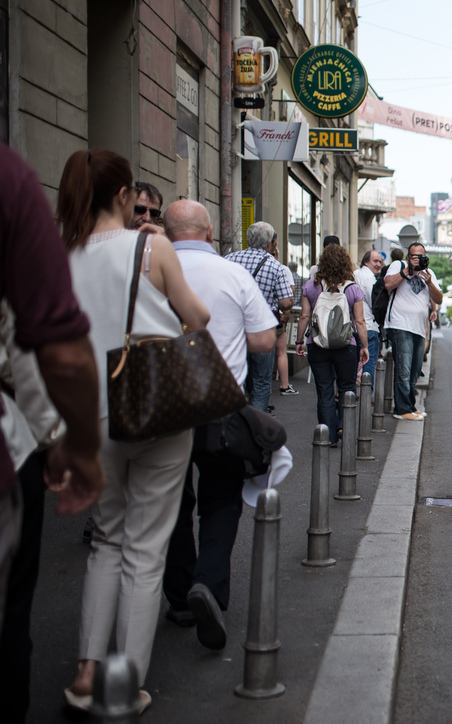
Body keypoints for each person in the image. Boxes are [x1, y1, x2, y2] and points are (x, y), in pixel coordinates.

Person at [58, 149, 210, 714]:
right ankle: (123, 688)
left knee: (106, 541)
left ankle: (84, 673)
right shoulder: (151, 246)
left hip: (89, 411)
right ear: (124, 196)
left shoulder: (63, 254)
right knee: (146, 551)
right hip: (151, 408)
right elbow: (197, 318)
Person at [0, 145, 103, 723]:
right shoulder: (11, 181)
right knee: (12, 613)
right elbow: (47, 352)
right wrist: (70, 445)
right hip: (9, 450)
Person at [161, 200, 277, 649]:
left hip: (162, 405)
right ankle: (208, 584)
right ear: (210, 232)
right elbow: (265, 340)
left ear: (168, 232)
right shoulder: (233, 274)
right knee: (222, 499)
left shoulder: (151, 269)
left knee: (170, 502)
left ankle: (180, 599)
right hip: (221, 404)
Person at [296, 244, 370, 444]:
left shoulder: (311, 286)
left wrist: (299, 340)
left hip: (317, 345)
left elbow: (304, 315)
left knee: (324, 389)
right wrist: (364, 346)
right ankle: (344, 429)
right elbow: (360, 321)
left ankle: (327, 435)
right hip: (346, 345)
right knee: (347, 387)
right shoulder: (353, 288)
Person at [226, 223, 292, 413]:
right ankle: (255, 427)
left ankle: (237, 422)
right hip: (262, 329)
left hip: (235, 326)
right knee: (262, 381)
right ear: (271, 243)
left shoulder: (230, 259)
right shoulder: (274, 266)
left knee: (238, 377)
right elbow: (286, 303)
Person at [383, 241, 442, 421]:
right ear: (408, 256)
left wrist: (430, 283)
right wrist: (407, 271)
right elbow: (388, 284)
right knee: (404, 368)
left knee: (415, 369)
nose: (417, 259)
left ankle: (410, 406)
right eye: (414, 256)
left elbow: (438, 298)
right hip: (400, 325)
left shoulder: (429, 273)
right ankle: (402, 409)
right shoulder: (398, 265)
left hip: (419, 327)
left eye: (420, 256)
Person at [353, 249, 385, 388]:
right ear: (366, 261)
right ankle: (365, 402)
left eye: (380, 261)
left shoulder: (356, 274)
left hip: (354, 327)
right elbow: (375, 302)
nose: (378, 264)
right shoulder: (369, 278)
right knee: (368, 367)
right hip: (368, 327)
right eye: (375, 261)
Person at [272, 245, 298, 397]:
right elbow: (289, 294)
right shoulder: (281, 269)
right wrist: (286, 313)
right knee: (281, 352)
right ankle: (284, 385)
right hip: (277, 315)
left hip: (254, 317)